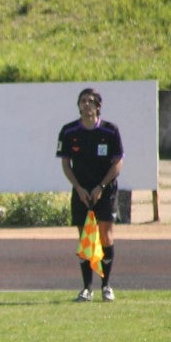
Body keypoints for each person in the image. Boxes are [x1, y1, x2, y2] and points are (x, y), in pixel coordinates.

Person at [57, 87, 124, 302]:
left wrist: (101, 187)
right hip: (82, 192)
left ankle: (106, 286)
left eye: (90, 101)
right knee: (85, 237)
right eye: (82, 101)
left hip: (104, 191)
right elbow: (66, 164)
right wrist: (79, 188)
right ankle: (86, 288)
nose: (86, 104)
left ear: (98, 106)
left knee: (105, 236)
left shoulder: (110, 131)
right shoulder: (69, 131)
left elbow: (118, 162)